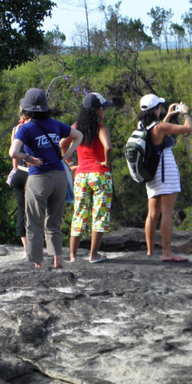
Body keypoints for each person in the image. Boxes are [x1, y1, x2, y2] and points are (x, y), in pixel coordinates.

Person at [9, 88, 82, 269]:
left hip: (38, 177)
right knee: (54, 221)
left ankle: (38, 262)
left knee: (34, 222)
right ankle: (58, 260)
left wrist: (27, 158)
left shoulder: (26, 128)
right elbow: (78, 136)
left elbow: (13, 152)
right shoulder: (56, 124)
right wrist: (67, 157)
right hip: (59, 177)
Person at [140, 93, 192, 262]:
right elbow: (188, 128)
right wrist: (185, 113)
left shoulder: (141, 125)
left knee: (152, 214)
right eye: (159, 108)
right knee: (167, 213)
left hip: (151, 173)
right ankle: (167, 252)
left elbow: (159, 128)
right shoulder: (160, 127)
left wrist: (169, 115)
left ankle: (149, 252)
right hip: (165, 171)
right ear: (156, 110)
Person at [62, 92, 114, 263]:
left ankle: (72, 256)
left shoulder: (76, 127)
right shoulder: (101, 128)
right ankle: (93, 255)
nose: (104, 111)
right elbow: (108, 147)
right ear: (96, 110)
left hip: (81, 175)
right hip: (100, 174)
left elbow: (62, 144)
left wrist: (70, 163)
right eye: (102, 108)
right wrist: (107, 162)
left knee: (79, 213)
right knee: (99, 214)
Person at [7, 113, 30, 252]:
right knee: (36, 211)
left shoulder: (17, 128)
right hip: (31, 172)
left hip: (19, 171)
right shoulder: (33, 127)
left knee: (22, 210)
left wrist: (14, 169)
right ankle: (36, 245)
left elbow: (13, 151)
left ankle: (26, 247)